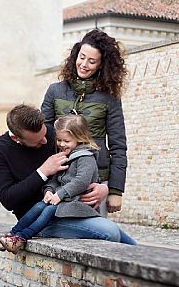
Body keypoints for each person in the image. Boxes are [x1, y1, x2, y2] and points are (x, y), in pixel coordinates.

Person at [0, 104, 136, 254]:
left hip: (69, 208)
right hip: (40, 220)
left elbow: (81, 165)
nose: (46, 141)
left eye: (45, 134)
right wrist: (42, 172)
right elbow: (8, 200)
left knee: (113, 231)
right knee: (110, 232)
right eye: (37, 141)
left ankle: (142, 257)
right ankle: (17, 236)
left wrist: (102, 188)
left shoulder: (56, 135)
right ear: (16, 137)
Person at [41, 29, 129, 215]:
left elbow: (118, 146)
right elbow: (43, 136)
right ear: (75, 55)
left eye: (92, 61)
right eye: (82, 57)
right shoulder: (55, 91)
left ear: (101, 65)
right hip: (60, 177)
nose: (84, 64)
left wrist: (115, 190)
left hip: (96, 181)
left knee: (97, 236)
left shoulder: (109, 98)